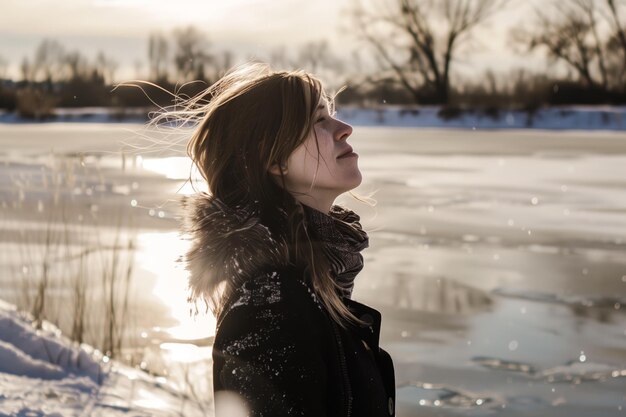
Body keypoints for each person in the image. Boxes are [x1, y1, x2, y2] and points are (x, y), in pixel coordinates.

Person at [178, 63, 395, 417]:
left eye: (333, 114)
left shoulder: (309, 285)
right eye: (318, 121)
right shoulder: (270, 307)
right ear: (274, 159)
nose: (345, 129)